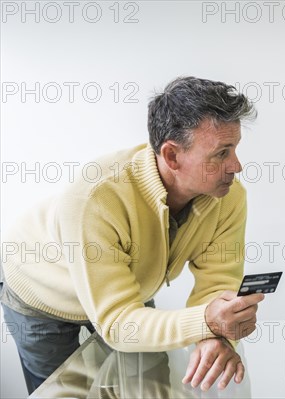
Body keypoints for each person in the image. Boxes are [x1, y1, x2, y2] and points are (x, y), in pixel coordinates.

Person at [0, 76, 264, 394]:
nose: (237, 165)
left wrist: (214, 336)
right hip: (43, 290)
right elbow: (118, 325)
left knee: (150, 384)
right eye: (221, 153)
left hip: (127, 290)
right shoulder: (95, 198)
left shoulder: (229, 196)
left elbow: (217, 285)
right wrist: (207, 322)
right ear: (172, 156)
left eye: (234, 148)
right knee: (67, 391)